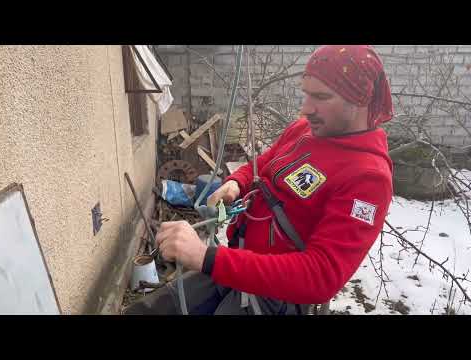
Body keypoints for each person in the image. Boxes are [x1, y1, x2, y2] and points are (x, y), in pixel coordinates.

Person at [123, 45, 394, 315]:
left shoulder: (368, 177)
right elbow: (264, 163)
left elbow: (321, 274)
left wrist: (205, 257)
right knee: (149, 310)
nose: (306, 108)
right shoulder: (305, 130)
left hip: (274, 298)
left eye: (321, 96)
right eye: (306, 93)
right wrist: (237, 183)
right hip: (236, 265)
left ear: (360, 100)